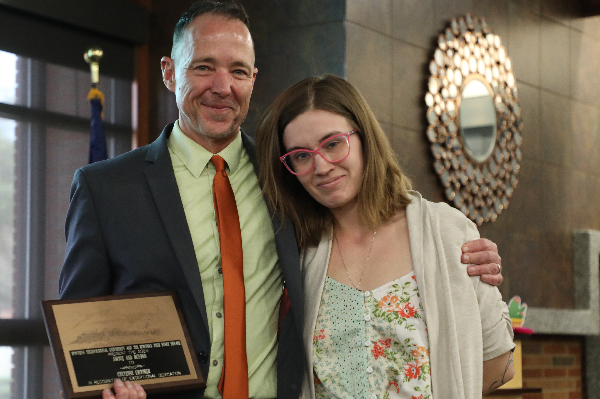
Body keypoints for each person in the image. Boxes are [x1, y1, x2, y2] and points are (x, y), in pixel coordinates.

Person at [58, 2, 503, 399]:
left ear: (253, 81)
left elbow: (376, 218)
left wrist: (463, 251)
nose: (221, 86)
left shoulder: (288, 178)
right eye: (202, 67)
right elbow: (82, 333)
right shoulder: (105, 190)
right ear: (170, 72)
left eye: (237, 71)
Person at [255, 74, 515, 399]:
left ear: (364, 138)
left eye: (333, 143)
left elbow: (500, 361)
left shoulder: (445, 232)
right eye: (301, 155)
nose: (320, 166)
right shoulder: (298, 253)